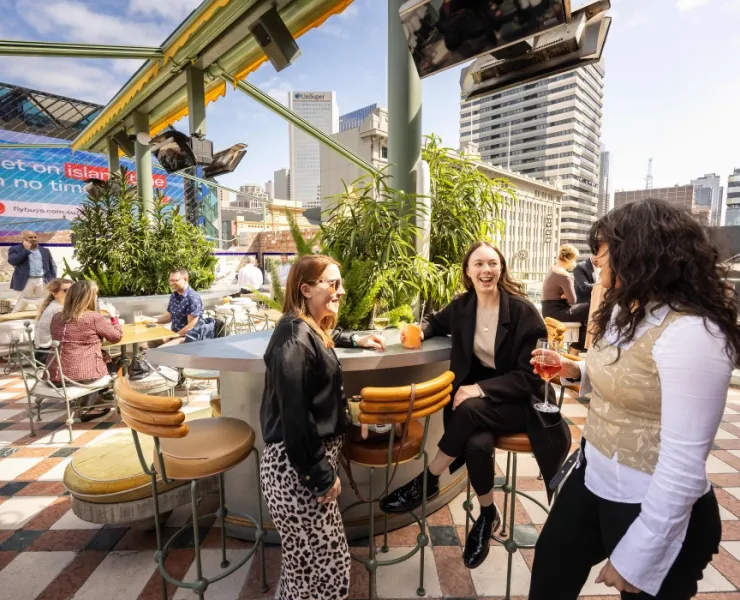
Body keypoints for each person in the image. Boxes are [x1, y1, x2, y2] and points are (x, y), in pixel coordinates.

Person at [528, 199, 739, 600]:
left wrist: (639, 556)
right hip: (592, 478)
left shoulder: (694, 333)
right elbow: (632, 378)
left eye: (605, 248)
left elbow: (683, 466)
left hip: (651, 504)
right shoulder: (628, 310)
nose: (597, 260)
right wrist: (576, 370)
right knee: (550, 575)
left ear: (642, 252)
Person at [380, 241, 571, 569]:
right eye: (479, 264)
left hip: (521, 403)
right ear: (468, 272)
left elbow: (532, 377)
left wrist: (479, 388)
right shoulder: (463, 307)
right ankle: (487, 514)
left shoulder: (523, 312)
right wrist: (419, 332)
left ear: (501, 268)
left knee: (467, 409)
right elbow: (435, 323)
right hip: (483, 407)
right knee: (476, 442)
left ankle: (428, 479)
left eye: (493, 264)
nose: (487, 270)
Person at [260, 255, 385, 600]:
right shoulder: (292, 339)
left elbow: (320, 337)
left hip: (301, 467)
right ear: (305, 288)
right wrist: (321, 476)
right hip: (297, 470)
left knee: (304, 570)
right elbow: (295, 417)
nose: (341, 291)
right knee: (327, 572)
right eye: (333, 283)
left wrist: (353, 338)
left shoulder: (304, 328)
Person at [49, 280, 123, 421]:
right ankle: (90, 406)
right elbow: (116, 337)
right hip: (82, 377)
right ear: (89, 297)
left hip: (55, 375)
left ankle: (89, 401)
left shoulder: (56, 317)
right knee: (112, 363)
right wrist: (114, 317)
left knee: (102, 357)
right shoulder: (93, 317)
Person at [540, 243, 590, 353]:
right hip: (558, 312)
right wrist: (566, 295)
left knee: (583, 312)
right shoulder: (565, 275)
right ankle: (577, 347)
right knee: (590, 307)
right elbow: (573, 300)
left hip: (548, 310)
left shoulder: (553, 269)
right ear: (570, 259)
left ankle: (576, 346)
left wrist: (565, 295)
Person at [143, 269, 203, 346]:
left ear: (185, 279)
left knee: (159, 351)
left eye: (175, 280)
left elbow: (191, 326)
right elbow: (169, 317)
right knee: (143, 347)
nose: (171, 283)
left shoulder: (192, 298)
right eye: (170, 280)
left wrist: (171, 337)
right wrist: (151, 320)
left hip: (188, 338)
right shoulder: (174, 296)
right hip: (174, 335)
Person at [8, 230, 57, 313]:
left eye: (35, 237)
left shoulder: (45, 250)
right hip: (25, 281)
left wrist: (52, 280)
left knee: (43, 305)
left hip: (42, 280)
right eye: (30, 237)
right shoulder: (15, 249)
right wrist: (26, 250)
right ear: (23, 239)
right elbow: (13, 261)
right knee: (20, 305)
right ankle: (13, 323)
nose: (33, 239)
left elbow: (52, 266)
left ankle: (41, 323)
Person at [34, 278, 73, 363]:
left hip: (46, 352)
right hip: (48, 355)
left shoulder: (57, 306)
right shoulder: (57, 309)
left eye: (73, 290)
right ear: (54, 293)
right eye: (66, 290)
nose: (71, 293)